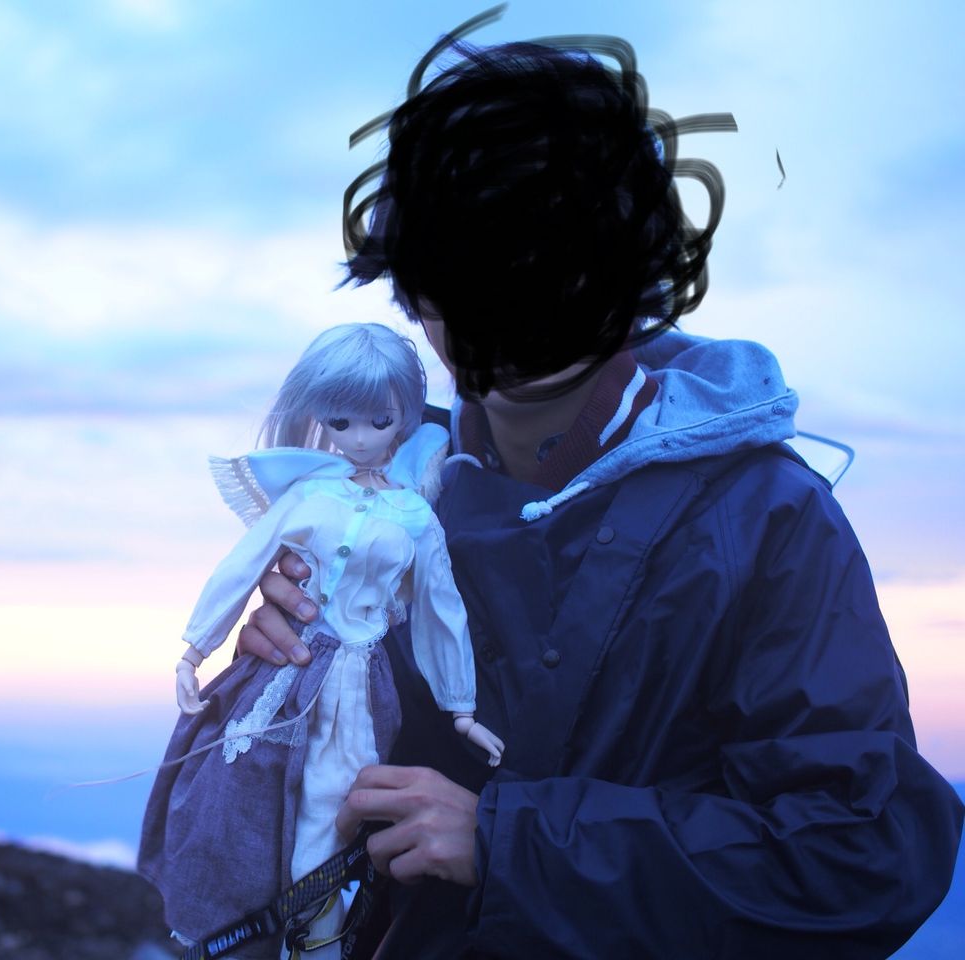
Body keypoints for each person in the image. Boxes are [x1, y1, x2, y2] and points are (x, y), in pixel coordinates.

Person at [239, 26, 965, 960]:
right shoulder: (378, 502)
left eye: (548, 273)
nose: (504, 317)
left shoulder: (764, 520)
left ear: (627, 279)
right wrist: (277, 693)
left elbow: (860, 853)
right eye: (464, 277)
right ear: (418, 294)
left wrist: (512, 847)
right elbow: (307, 826)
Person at [138, 323, 502, 959]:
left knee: (332, 813)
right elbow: (244, 565)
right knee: (235, 792)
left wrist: (461, 707)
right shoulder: (310, 494)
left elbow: (440, 612)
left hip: (359, 678)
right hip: (285, 669)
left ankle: (316, 947)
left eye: (379, 421)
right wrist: (196, 647)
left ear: (404, 417)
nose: (359, 438)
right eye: (341, 421)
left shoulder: (415, 515)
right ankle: (218, 926)